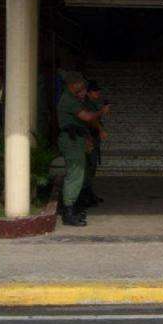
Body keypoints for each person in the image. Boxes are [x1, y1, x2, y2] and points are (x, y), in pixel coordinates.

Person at [57, 72, 109, 226]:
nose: (83, 87)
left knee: (79, 173)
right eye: (80, 84)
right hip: (71, 140)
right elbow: (86, 117)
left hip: (76, 139)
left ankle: (72, 207)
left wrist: (86, 139)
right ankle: (68, 211)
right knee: (75, 173)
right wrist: (102, 112)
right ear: (73, 84)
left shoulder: (72, 98)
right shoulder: (69, 99)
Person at [78, 80, 108, 209]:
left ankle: (89, 195)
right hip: (88, 137)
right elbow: (91, 119)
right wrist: (101, 129)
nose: (98, 93)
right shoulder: (87, 103)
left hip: (92, 137)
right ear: (89, 93)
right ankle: (84, 197)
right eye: (95, 91)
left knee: (91, 168)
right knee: (88, 168)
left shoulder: (92, 103)